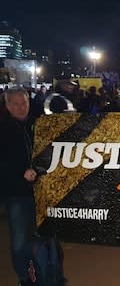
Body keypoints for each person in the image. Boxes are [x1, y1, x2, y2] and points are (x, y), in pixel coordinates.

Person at [0, 87, 38, 285]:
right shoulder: (3, 129)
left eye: (24, 103)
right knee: (19, 238)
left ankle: (41, 271)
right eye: (15, 103)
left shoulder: (36, 124)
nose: (21, 107)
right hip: (16, 193)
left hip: (38, 191)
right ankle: (24, 276)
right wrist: (20, 173)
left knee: (38, 236)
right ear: (7, 105)